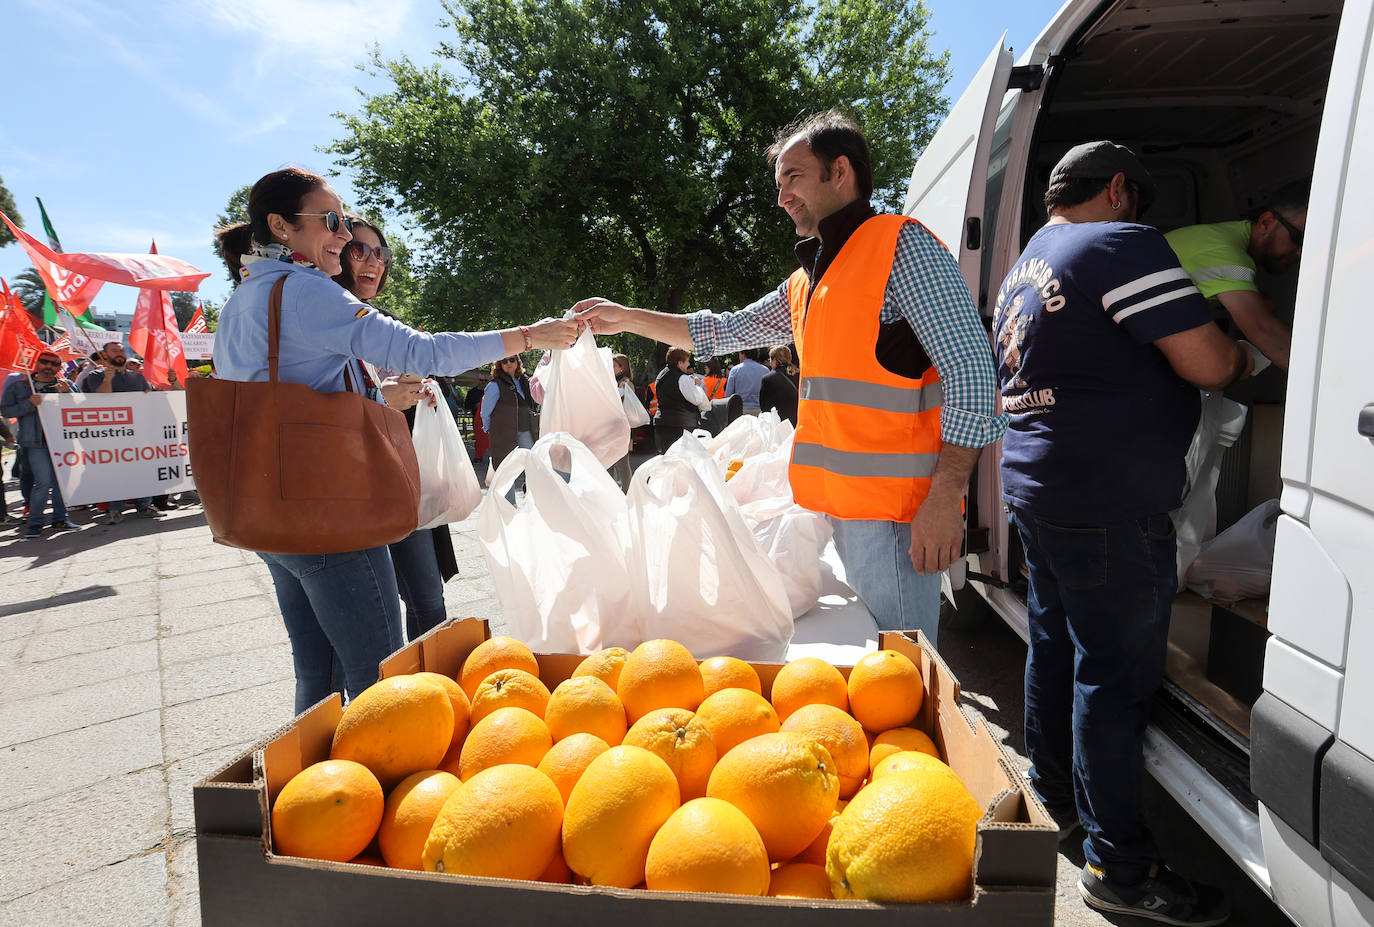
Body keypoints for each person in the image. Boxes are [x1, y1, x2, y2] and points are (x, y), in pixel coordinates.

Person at [577, 110, 1005, 644]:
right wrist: (626, 317)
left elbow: (973, 374)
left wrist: (946, 498)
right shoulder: (809, 280)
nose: (782, 197)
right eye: (778, 184)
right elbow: (727, 329)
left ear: (840, 172)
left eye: (793, 178)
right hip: (840, 514)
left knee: (903, 680)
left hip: (899, 519)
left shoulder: (904, 248)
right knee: (876, 675)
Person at [993, 141, 1250, 925]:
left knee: (1056, 643)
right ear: (1116, 191)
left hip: (1038, 489)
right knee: (1112, 676)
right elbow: (1211, 366)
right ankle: (1121, 867)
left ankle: (1055, 799)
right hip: (1107, 502)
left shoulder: (1026, 262)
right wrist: (1233, 345)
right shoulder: (1121, 244)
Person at [213, 167, 578, 713]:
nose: (342, 233)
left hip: (268, 510)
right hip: (329, 512)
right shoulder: (305, 291)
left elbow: (296, 396)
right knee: (379, 680)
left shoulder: (247, 297)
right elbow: (424, 351)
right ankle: (366, 792)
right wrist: (530, 335)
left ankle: (307, 789)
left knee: (317, 678)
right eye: (331, 220)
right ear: (280, 226)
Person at [332, 216, 457, 643]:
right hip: (349, 489)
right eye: (358, 250)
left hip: (402, 476)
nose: (373, 261)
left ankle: (432, 690)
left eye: (381, 253)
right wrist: (380, 400)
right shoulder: (322, 323)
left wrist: (419, 391)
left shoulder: (383, 322)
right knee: (377, 620)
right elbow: (316, 410)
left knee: (427, 598)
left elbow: (427, 363)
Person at [1165, 183, 1308, 371]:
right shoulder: (1226, 255)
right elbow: (1262, 329)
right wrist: (1325, 381)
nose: (1300, 253)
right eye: (1299, 238)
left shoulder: (1222, 241)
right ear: (1266, 222)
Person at [76, 341, 161, 522]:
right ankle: (114, 509)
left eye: (121, 350)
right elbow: (100, 400)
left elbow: (150, 398)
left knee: (142, 468)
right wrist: (108, 379)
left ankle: (144, 505)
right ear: (105, 355)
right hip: (112, 434)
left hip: (138, 432)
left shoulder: (137, 377)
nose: (119, 353)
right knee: (116, 472)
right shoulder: (95, 375)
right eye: (114, 351)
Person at [1, 350, 77, 539]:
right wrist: (29, 404)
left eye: (54, 363)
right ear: (36, 363)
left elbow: (83, 406)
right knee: (42, 482)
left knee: (62, 482)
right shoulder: (19, 386)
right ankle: (35, 523)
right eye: (45, 362)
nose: (49, 366)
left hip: (62, 441)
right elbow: (6, 410)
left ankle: (60, 519)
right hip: (35, 442)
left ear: (59, 367)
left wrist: (68, 394)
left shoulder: (65, 385)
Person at [481, 354, 539, 473]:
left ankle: (530, 490)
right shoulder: (494, 385)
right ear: (499, 365)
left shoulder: (525, 382)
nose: (508, 363)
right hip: (504, 433)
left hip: (525, 430)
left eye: (512, 360)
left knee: (533, 465)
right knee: (505, 471)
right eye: (504, 361)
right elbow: (485, 411)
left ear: (517, 362)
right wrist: (488, 428)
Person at [653, 346, 712, 453]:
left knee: (667, 459)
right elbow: (699, 401)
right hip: (682, 425)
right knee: (683, 460)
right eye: (687, 361)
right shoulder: (683, 378)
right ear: (680, 363)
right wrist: (698, 385)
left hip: (662, 423)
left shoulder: (660, 375)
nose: (688, 364)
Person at [609, 353, 636, 490]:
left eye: (613, 365)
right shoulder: (615, 381)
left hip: (620, 428)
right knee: (610, 462)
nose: (610, 367)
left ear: (622, 368)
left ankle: (626, 493)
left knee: (621, 464)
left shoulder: (625, 383)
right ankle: (614, 493)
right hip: (615, 427)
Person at [759, 345, 799, 426]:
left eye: (770, 359)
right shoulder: (800, 375)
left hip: (780, 424)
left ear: (775, 360)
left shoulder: (768, 378)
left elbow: (764, 407)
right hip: (799, 421)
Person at [724, 348, 768, 414]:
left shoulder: (735, 370)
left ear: (742, 354)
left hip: (740, 410)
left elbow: (728, 395)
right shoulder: (765, 370)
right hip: (760, 410)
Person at [464, 373, 490, 463]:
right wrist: (476, 405)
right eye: (481, 380)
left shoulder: (489, 391)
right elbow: (466, 405)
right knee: (479, 437)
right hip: (477, 418)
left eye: (485, 380)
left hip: (489, 418)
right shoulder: (471, 392)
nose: (483, 382)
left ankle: (494, 456)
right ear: (477, 381)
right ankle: (478, 456)